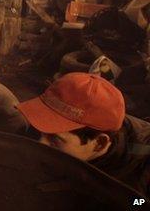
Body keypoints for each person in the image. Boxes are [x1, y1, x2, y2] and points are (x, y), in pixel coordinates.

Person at [17, 72, 150, 196]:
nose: (39, 143)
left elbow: (139, 203)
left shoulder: (142, 175)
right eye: (38, 129)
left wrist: (131, 204)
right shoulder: (98, 123)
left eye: (54, 139)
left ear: (99, 143)